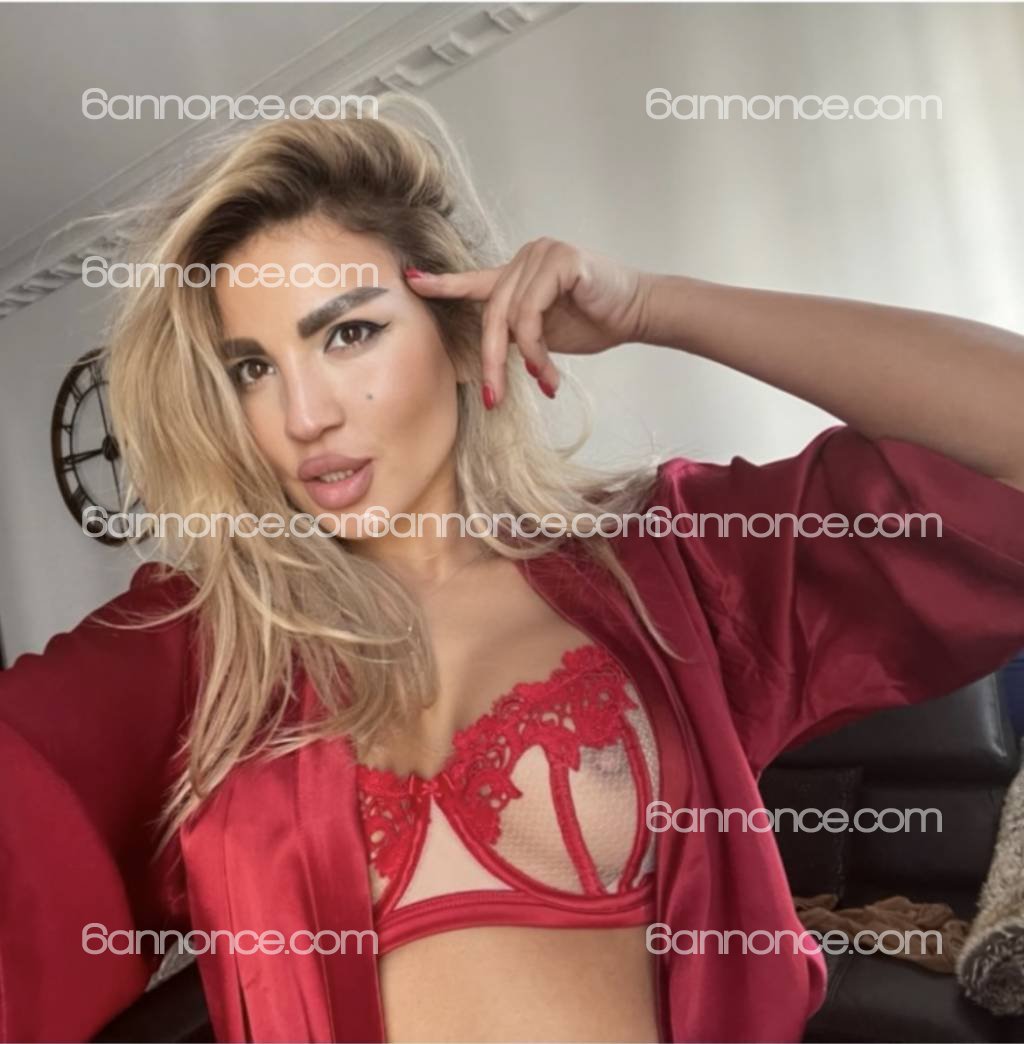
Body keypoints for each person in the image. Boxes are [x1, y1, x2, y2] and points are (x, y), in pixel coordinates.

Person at [3, 92, 1024, 1044]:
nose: (302, 415)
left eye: (349, 333)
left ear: (460, 336)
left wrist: (655, 305)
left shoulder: (669, 564)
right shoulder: (195, 647)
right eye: (252, 368)